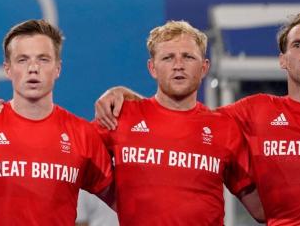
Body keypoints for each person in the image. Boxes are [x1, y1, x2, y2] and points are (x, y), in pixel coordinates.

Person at [95, 12, 300, 225]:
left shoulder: (224, 124)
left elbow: (261, 211)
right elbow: (179, 116)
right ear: (282, 59)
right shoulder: (252, 110)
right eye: (298, 44)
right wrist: (124, 95)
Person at [0, 19, 113, 226]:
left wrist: (124, 94)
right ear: (7, 69)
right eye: (22, 60)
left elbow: (122, 198)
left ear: (57, 68)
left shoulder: (83, 134)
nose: (33, 68)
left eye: (43, 59)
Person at [95, 20, 263, 224]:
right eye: (168, 58)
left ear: (204, 68)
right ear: (152, 68)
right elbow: (71, 156)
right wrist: (117, 197)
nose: (178, 65)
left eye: (188, 57)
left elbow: (260, 209)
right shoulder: (122, 115)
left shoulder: (224, 127)